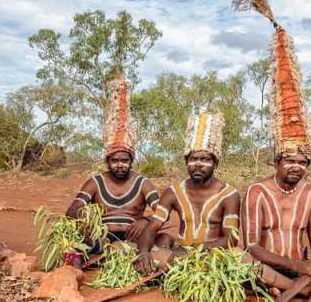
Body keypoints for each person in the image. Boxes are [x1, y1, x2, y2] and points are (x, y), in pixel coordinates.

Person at [234, 0, 311, 302]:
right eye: (290, 161)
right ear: (277, 162)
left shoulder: (309, 194)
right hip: (273, 268)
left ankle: (303, 286)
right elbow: (252, 246)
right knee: (243, 261)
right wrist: (298, 265)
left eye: (302, 162)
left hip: (303, 269)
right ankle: (309, 292)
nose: (296, 167)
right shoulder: (257, 193)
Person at [65, 72, 159, 266]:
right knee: (71, 249)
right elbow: (72, 209)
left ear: (131, 160)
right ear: (107, 161)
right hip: (99, 237)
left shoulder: (143, 183)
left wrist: (146, 221)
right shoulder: (95, 182)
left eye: (124, 160)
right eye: (115, 160)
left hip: (134, 239)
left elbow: (162, 212)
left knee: (163, 242)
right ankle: (73, 277)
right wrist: (86, 219)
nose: (120, 165)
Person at [137, 111, 240, 274]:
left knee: (239, 257)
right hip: (180, 251)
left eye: (205, 159)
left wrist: (194, 252)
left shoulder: (229, 195)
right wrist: (143, 253)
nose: (198, 164)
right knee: (158, 245)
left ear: (215, 163)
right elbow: (152, 227)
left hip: (211, 254)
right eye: (193, 159)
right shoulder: (173, 192)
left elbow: (231, 238)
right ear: (186, 162)